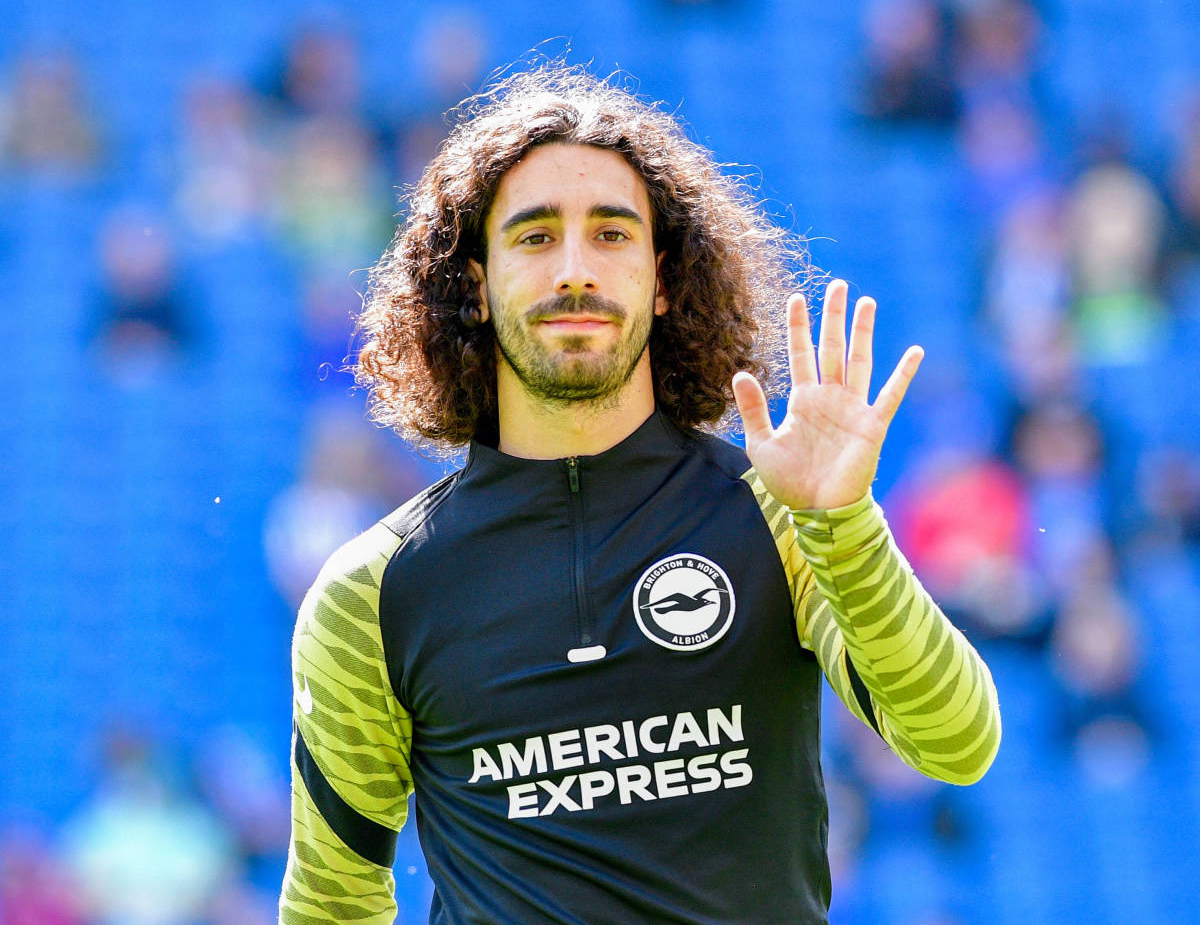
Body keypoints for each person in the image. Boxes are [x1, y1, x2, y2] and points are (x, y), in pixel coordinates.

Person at [278, 63, 1001, 925]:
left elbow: (958, 743)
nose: (574, 270)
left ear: (662, 280)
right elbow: (331, 903)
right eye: (535, 237)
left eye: (611, 234)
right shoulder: (374, 591)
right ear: (474, 284)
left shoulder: (781, 518)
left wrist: (843, 523)